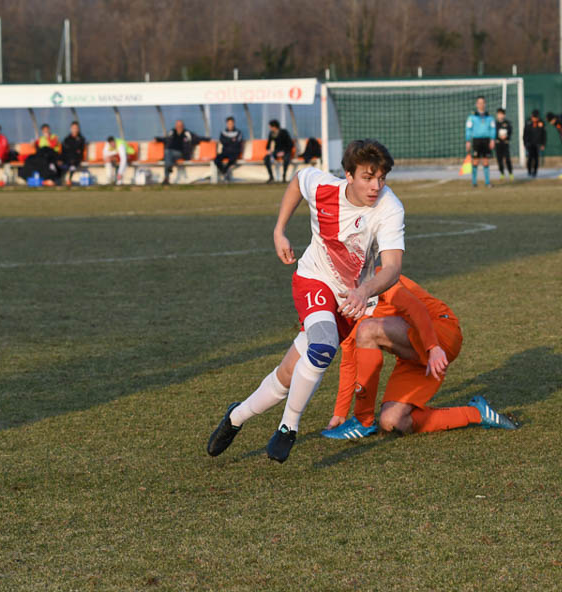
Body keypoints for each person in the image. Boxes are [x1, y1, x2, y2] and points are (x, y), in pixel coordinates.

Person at [206, 139, 406, 463]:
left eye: (382, 178)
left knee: (288, 374)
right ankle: (288, 427)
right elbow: (299, 179)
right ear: (348, 175)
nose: (376, 186)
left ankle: (236, 417)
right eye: (368, 178)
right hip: (313, 278)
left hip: (350, 300)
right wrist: (279, 230)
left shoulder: (389, 208)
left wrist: (364, 290)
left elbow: (394, 267)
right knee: (324, 346)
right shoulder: (324, 187)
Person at [323, 273, 517, 439]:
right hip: (414, 354)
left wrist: (433, 347)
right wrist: (339, 413)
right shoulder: (346, 310)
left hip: (439, 332)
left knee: (368, 330)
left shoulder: (378, 277)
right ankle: (476, 413)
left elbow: (416, 308)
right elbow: (350, 360)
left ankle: (363, 421)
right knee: (392, 422)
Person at [159, 119, 206, 185]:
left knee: (167, 154)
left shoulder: (187, 133)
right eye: (177, 125)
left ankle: (168, 172)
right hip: (170, 153)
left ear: (183, 126)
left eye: (180, 125)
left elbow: (197, 138)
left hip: (182, 153)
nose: (179, 127)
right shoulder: (172, 132)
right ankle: (167, 174)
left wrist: (207, 139)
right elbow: (165, 139)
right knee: (168, 153)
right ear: (175, 126)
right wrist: (157, 139)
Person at [465, 96, 495, 187]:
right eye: (479, 103)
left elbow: (492, 129)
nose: (481, 104)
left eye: (483, 103)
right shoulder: (472, 117)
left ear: (485, 104)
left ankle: (487, 182)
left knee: (486, 161)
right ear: (476, 104)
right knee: (475, 161)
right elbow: (468, 129)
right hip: (476, 140)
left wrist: (492, 139)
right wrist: (468, 140)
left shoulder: (489, 117)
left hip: (486, 140)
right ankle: (474, 182)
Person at [264, 119, 295, 183]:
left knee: (286, 159)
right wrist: (269, 150)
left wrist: (283, 152)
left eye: (271, 127)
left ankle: (284, 176)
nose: (270, 128)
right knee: (266, 158)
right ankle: (271, 177)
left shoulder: (284, 132)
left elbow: (290, 145)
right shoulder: (271, 134)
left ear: (275, 126)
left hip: (286, 151)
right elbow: (268, 145)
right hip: (276, 152)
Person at [213, 116, 244, 180]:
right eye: (229, 123)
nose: (230, 125)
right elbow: (222, 141)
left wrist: (228, 140)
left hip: (234, 152)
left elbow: (237, 142)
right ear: (226, 124)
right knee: (216, 159)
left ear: (234, 123)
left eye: (231, 123)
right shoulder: (223, 132)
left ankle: (224, 171)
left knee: (232, 159)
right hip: (225, 151)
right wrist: (231, 140)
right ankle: (223, 171)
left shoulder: (238, 132)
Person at [61, 121, 87, 186]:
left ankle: (69, 180)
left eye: (76, 128)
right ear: (71, 129)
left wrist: (74, 149)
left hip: (76, 158)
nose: (75, 130)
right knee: (62, 162)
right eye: (73, 128)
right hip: (68, 157)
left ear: (78, 129)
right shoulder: (67, 139)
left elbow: (80, 150)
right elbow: (64, 150)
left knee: (73, 163)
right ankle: (62, 180)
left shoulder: (81, 139)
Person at [523, 109, 546, 179]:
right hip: (529, 143)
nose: (535, 119)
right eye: (534, 117)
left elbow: (544, 134)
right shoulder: (528, 122)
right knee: (530, 158)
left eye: (536, 117)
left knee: (536, 158)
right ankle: (529, 171)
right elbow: (525, 134)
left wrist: (543, 144)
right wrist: (525, 143)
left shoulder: (541, 123)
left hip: (537, 143)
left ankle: (535, 172)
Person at [494, 107, 514, 181]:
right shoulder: (495, 123)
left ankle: (510, 173)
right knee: (499, 159)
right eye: (499, 114)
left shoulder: (507, 123)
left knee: (507, 158)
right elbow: (493, 133)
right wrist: (498, 137)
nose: (500, 115)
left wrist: (506, 137)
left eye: (501, 114)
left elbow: (510, 131)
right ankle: (502, 173)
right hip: (498, 143)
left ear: (504, 115)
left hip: (505, 143)